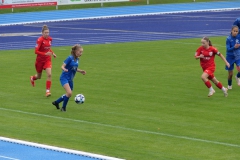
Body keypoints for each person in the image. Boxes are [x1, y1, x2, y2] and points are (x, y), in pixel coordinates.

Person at [52, 44, 86, 112]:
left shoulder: (77, 59)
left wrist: (81, 71)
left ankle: (56, 102)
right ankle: (63, 108)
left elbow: (74, 68)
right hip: (64, 78)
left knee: (68, 94)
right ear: (75, 51)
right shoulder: (70, 58)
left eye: (81, 52)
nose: (81, 53)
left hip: (70, 79)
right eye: (80, 52)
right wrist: (64, 69)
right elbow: (62, 66)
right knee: (69, 93)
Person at [30, 24, 57, 97]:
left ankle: (47, 91)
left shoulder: (50, 39)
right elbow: (36, 51)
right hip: (39, 61)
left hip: (47, 59)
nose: (47, 34)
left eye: (48, 32)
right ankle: (32, 78)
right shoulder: (40, 40)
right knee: (39, 76)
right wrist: (45, 54)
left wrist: (53, 53)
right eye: (45, 32)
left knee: (49, 74)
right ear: (42, 33)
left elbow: (48, 49)